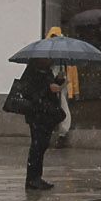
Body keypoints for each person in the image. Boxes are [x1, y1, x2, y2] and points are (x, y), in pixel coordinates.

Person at [14, 60, 65, 192]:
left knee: (42, 145)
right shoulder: (32, 72)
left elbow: (48, 88)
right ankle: (32, 179)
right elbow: (29, 92)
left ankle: (37, 177)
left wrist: (58, 81)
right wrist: (48, 88)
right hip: (37, 114)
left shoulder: (46, 71)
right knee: (37, 145)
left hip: (47, 114)